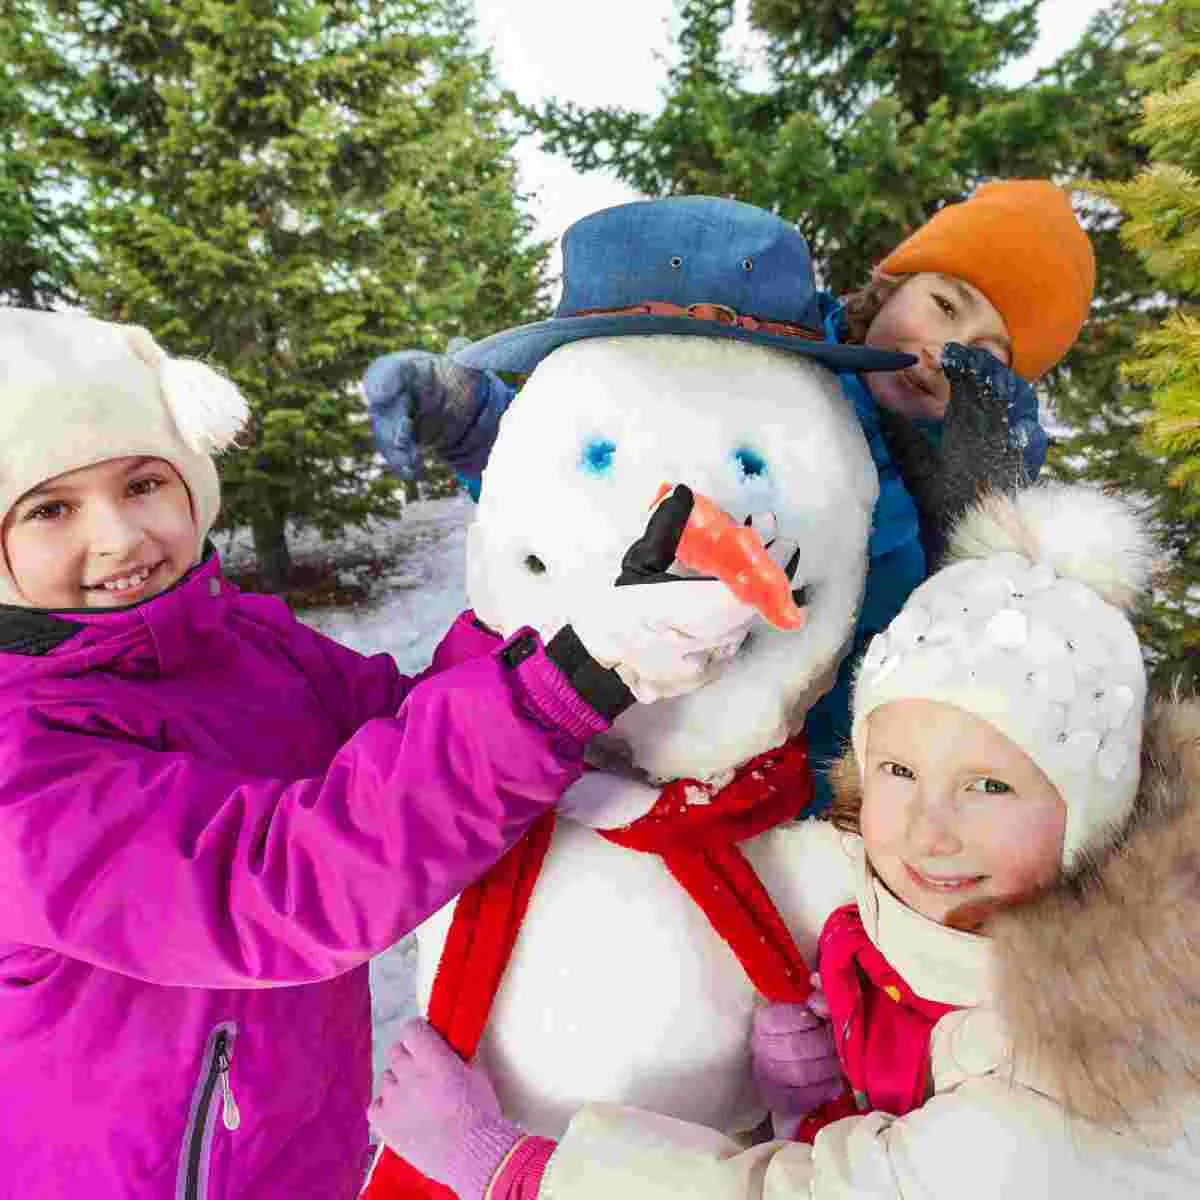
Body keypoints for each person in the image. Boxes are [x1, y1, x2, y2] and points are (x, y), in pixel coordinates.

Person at [0, 308, 776, 1198]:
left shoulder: (244, 643)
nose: (121, 538)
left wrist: (563, 612)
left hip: (297, 1145)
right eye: (51, 509)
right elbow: (280, 886)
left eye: (143, 484)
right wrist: (576, 673)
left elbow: (403, 731)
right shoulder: (22, 755)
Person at [369, 481, 1200, 1199]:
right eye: (899, 772)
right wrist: (820, 1096)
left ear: (1094, 812)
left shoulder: (1096, 1055)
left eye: (991, 786)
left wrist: (501, 1166)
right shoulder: (945, 930)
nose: (926, 828)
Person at [364, 181, 1096, 810]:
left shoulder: (957, 482)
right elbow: (602, 469)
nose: (947, 352)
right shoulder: (765, 350)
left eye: (988, 355)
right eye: (943, 303)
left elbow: (958, 658)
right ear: (891, 283)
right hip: (622, 746)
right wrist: (471, 423)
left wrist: (983, 513)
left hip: (795, 793)